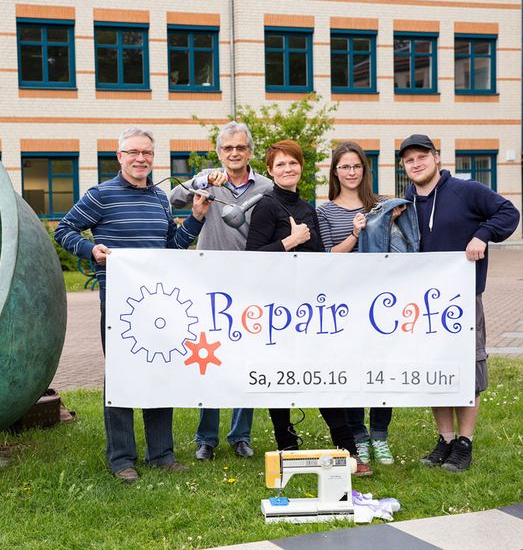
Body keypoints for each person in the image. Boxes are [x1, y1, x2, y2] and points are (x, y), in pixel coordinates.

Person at [54, 127, 209, 484]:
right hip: (121, 304)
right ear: (120, 156)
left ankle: (162, 454)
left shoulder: (159, 199)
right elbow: (65, 230)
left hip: (159, 303)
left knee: (159, 371)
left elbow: (172, 247)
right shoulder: (100, 195)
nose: (141, 159)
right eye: (134, 152)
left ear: (153, 159)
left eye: (148, 153)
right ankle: (122, 458)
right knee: (122, 377)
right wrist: (90, 250)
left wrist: (197, 217)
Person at [245, 139, 372, 476]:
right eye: (280, 165)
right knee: (280, 379)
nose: (288, 169)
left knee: (322, 376)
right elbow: (249, 259)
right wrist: (290, 242)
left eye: (293, 163)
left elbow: (320, 259)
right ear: (270, 171)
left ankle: (346, 449)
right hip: (277, 309)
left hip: (309, 310)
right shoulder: (266, 206)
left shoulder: (306, 209)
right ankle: (286, 446)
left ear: (301, 167)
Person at [400, 134, 519, 472]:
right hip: (423, 305)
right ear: (404, 167)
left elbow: (508, 212)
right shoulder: (407, 201)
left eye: (422, 156)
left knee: (467, 367)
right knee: (436, 369)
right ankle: (446, 440)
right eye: (409, 160)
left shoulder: (466, 191)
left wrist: (482, 235)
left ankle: (465, 443)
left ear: (436, 158)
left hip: (463, 300)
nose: (416, 163)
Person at [170, 121, 273, 461]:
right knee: (209, 358)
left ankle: (241, 435)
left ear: (250, 152)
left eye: (240, 148)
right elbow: (173, 197)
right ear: (219, 153)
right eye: (227, 148)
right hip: (209, 282)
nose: (234, 153)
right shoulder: (207, 180)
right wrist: (201, 181)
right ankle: (206, 438)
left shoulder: (266, 186)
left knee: (246, 358)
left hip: (252, 281)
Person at [316, 141, 395, 467]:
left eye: (356, 166)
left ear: (365, 170)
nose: (351, 172)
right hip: (343, 304)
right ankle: (358, 437)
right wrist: (353, 234)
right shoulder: (324, 210)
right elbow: (324, 257)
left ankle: (380, 436)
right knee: (350, 371)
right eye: (345, 167)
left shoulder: (383, 206)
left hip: (380, 304)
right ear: (336, 172)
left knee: (382, 370)